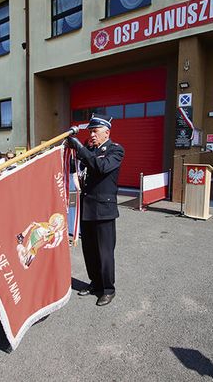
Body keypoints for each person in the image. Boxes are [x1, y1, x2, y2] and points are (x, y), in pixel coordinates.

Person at [67, 114, 124, 307]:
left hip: (104, 210)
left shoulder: (115, 150)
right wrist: (71, 152)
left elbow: (100, 167)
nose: (91, 134)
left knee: (104, 253)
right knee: (89, 251)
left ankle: (108, 289)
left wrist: (81, 149)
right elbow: (78, 169)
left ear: (106, 133)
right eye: (90, 131)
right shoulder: (89, 151)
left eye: (95, 131)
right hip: (87, 208)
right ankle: (95, 283)